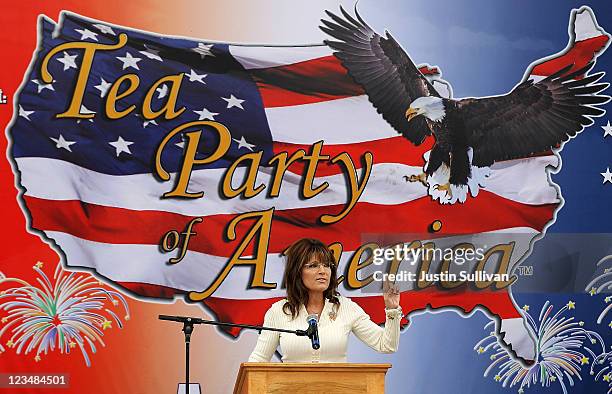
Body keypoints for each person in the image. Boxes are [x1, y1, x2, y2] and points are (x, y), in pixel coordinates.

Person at [248, 238, 402, 363]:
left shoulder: (345, 307)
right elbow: (258, 360)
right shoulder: (279, 311)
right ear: (297, 272)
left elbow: (386, 345)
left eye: (327, 265)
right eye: (313, 265)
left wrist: (392, 309)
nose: (323, 271)